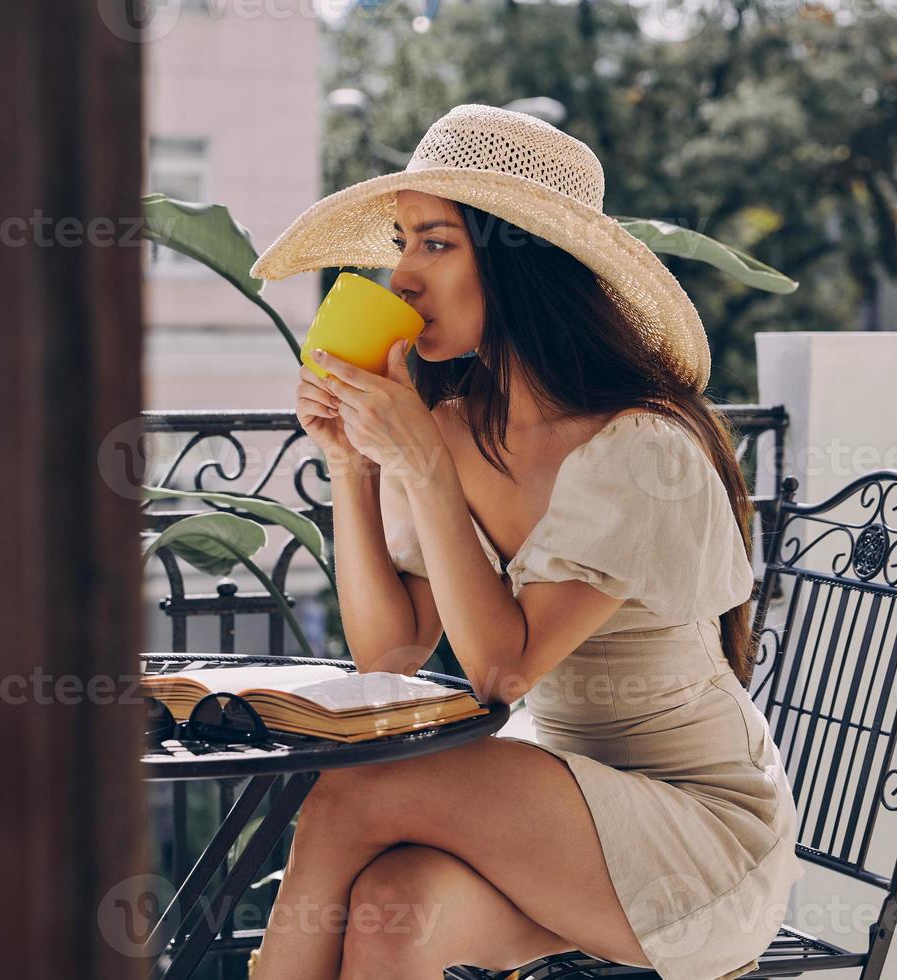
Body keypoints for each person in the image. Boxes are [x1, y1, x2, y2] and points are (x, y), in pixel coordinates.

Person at [246, 103, 803, 980]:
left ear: (520, 266)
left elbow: (500, 672)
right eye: (400, 241)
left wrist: (423, 466)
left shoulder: (640, 448)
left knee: (355, 788)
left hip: (696, 837)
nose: (400, 276)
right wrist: (353, 469)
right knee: (395, 912)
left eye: (435, 243)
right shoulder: (450, 430)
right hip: (556, 810)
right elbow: (391, 652)